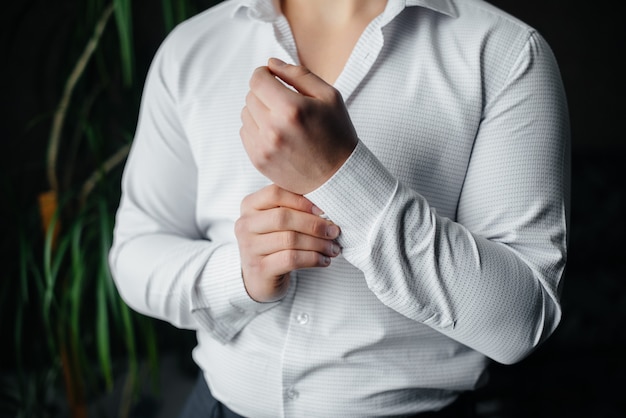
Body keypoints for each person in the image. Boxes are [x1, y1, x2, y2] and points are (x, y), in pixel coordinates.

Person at [108, 0, 570, 416]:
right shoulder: (191, 48)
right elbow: (134, 253)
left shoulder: (505, 52)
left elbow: (521, 321)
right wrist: (240, 274)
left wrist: (340, 175)